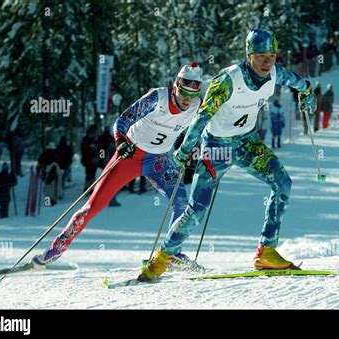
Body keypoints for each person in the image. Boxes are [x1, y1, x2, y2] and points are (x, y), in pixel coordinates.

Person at [138, 29, 317, 281]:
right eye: (261, 56)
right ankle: (162, 258)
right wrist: (184, 151)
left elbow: (298, 82)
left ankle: (266, 251)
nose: (267, 62)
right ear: (248, 55)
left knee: (283, 182)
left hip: (247, 142)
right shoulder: (228, 80)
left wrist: (308, 93)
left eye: (272, 56)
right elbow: (203, 116)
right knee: (197, 209)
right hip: (216, 147)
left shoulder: (275, 73)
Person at [31, 62, 203, 266]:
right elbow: (123, 120)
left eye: (192, 95)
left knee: (182, 204)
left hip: (159, 160)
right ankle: (56, 249)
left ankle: (170, 253)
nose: (187, 100)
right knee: (92, 207)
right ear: (175, 86)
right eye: (183, 93)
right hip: (130, 155)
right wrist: (121, 141)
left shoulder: (198, 105)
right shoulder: (158, 98)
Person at [81, 125, 100, 191]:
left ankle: (91, 188)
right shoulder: (86, 140)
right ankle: (88, 188)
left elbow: (98, 147)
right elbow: (85, 150)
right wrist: (93, 150)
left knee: (92, 174)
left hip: (93, 160)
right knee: (89, 174)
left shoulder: (94, 139)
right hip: (88, 160)